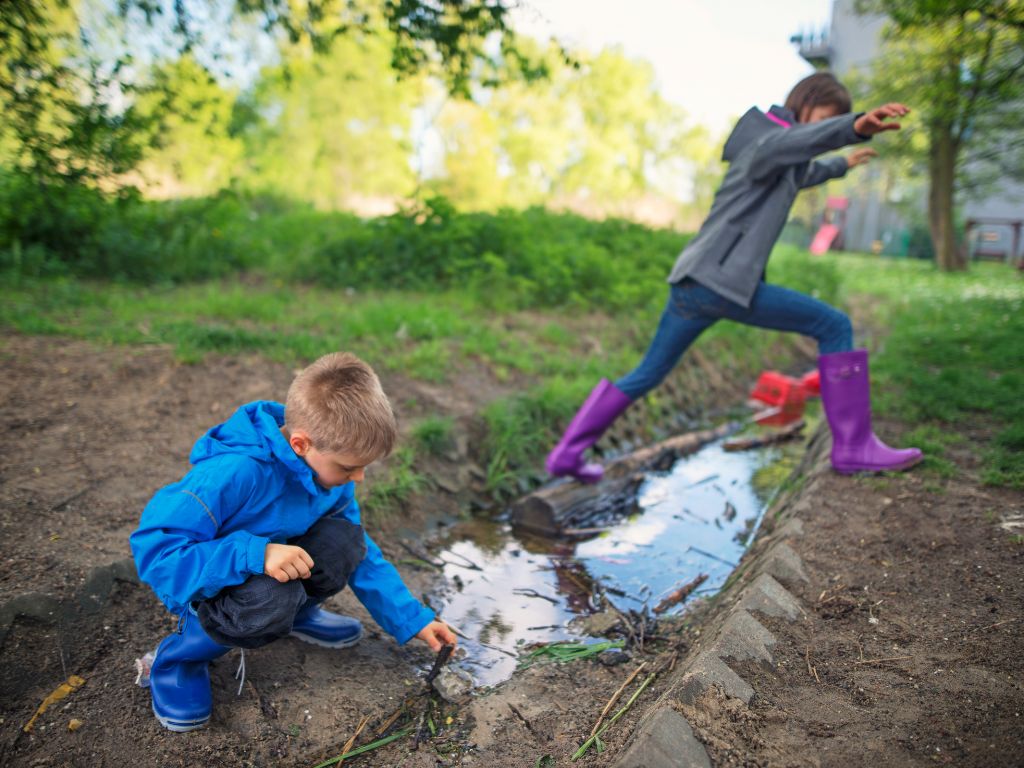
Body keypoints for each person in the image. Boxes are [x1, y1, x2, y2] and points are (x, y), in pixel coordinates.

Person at [546, 72, 922, 483]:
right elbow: (795, 145)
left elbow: (803, 171)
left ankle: (567, 453)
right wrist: (853, 127)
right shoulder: (769, 142)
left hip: (694, 283)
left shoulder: (778, 156)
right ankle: (853, 447)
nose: (819, 129)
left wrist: (840, 163)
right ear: (805, 102)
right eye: (822, 118)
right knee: (833, 324)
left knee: (646, 374)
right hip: (722, 284)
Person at [130, 352, 457, 732]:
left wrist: (412, 619)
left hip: (271, 567)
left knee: (344, 542)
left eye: (364, 467)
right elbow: (157, 551)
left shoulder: (327, 477)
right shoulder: (235, 472)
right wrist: (255, 553)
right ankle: (177, 661)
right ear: (301, 444)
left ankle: (297, 616)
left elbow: (361, 552)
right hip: (204, 584)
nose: (360, 478)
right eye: (349, 467)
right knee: (271, 598)